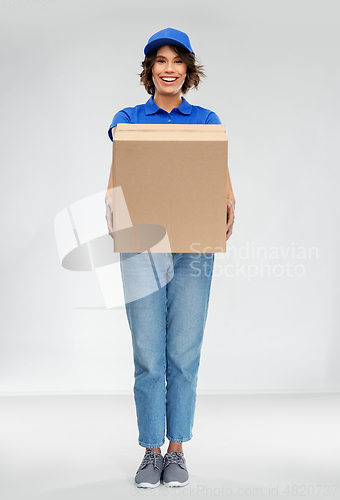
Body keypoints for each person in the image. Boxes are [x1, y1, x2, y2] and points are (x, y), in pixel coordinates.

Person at [105, 28, 235, 488]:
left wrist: (229, 202)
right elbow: (122, 168)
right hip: (141, 241)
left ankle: (177, 449)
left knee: (182, 351)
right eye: (160, 60)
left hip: (193, 245)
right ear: (150, 69)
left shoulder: (205, 119)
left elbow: (217, 172)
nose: (169, 68)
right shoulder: (128, 117)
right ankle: (150, 450)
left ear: (188, 70)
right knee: (147, 353)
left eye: (177, 61)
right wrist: (111, 206)